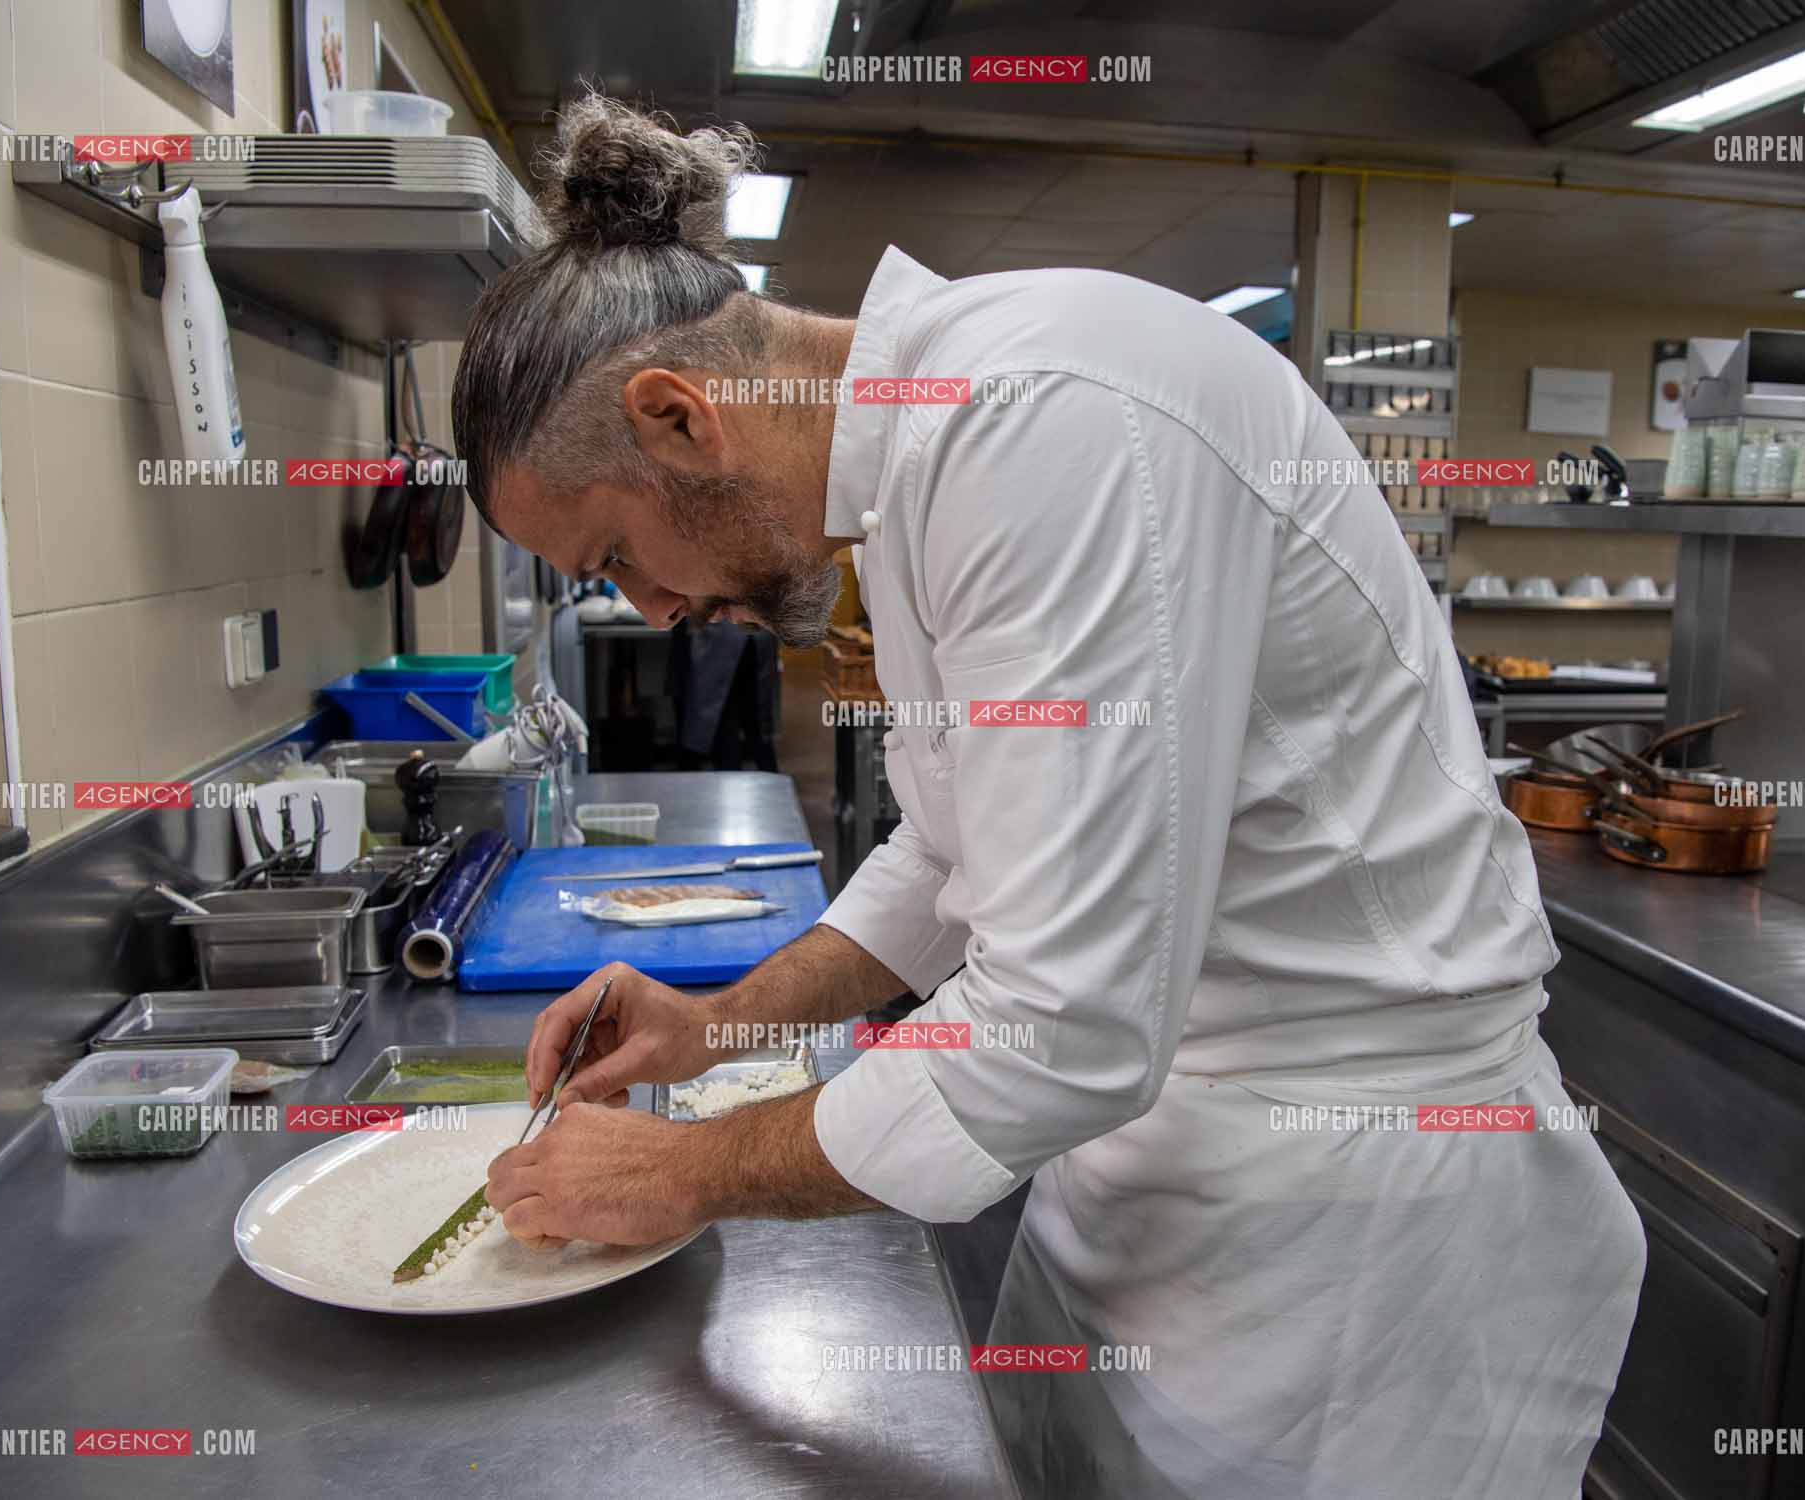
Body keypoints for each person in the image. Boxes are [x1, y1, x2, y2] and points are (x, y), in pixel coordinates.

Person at [456, 93, 1645, 1499]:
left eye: (614, 551)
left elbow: (1058, 1025)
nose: (648, 608)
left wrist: (685, 1174)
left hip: (1346, 1213)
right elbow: (949, 860)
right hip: (1160, 1155)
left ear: (677, 416)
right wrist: (719, 1026)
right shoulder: (916, 469)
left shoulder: (1049, 419)